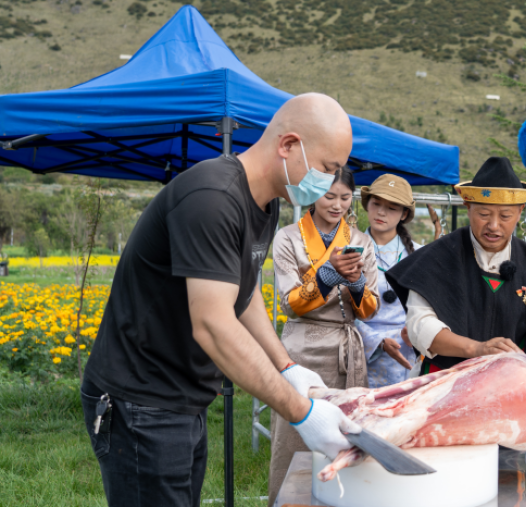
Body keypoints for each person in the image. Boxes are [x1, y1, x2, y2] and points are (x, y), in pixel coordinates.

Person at [80, 93, 362, 507]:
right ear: (288, 145)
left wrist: (287, 366)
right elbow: (214, 323)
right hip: (140, 399)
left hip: (183, 396)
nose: (330, 181)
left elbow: (241, 293)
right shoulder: (212, 198)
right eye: (326, 168)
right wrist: (300, 412)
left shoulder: (263, 205)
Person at [386, 156, 526, 371]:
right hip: (444, 383)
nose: (493, 225)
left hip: (510, 384)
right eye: (483, 214)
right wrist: (476, 349)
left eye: (505, 216)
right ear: (468, 207)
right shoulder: (439, 256)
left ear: (520, 210)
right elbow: (420, 325)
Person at [268, 169, 380, 502]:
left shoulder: (361, 241)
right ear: (313, 195)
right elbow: (290, 304)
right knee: (292, 436)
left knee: (343, 435)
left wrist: (358, 285)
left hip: (346, 348)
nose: (337, 205)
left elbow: (370, 309)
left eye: (345, 198)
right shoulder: (287, 237)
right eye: (329, 196)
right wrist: (328, 275)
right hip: (301, 348)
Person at [356, 174, 423, 388]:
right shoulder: (349, 251)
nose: (381, 212)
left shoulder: (420, 255)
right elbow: (338, 310)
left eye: (392, 208)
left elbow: (429, 308)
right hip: (361, 350)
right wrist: (377, 342)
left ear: (404, 214)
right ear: (367, 204)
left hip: (408, 350)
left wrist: (416, 332)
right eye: (376, 204)